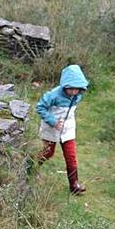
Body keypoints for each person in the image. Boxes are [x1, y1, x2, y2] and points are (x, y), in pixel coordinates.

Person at [35, 64, 89, 195]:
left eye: (77, 89)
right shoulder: (53, 95)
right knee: (48, 153)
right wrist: (53, 121)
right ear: (65, 85)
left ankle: (74, 185)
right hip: (50, 129)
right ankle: (31, 168)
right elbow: (40, 107)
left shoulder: (78, 95)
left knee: (71, 156)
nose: (74, 92)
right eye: (71, 89)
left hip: (68, 129)